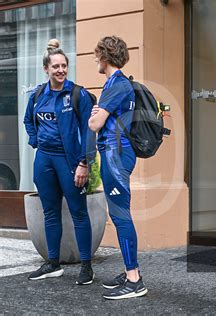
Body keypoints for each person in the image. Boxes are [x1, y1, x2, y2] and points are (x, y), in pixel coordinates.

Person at [24, 39, 95, 285]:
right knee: (50, 213)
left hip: (70, 161)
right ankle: (53, 264)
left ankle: (86, 266)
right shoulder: (38, 95)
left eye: (64, 66)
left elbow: (90, 130)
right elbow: (28, 121)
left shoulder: (78, 94)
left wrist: (84, 163)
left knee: (79, 213)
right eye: (56, 66)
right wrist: (35, 141)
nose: (61, 70)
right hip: (44, 159)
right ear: (46, 69)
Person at [88, 35, 147, 300]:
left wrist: (97, 114)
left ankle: (134, 280)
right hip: (116, 154)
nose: (95, 60)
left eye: (97, 55)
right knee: (120, 212)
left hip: (116, 156)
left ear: (105, 56)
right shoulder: (117, 83)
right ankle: (128, 270)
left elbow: (94, 124)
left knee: (121, 214)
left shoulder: (117, 85)